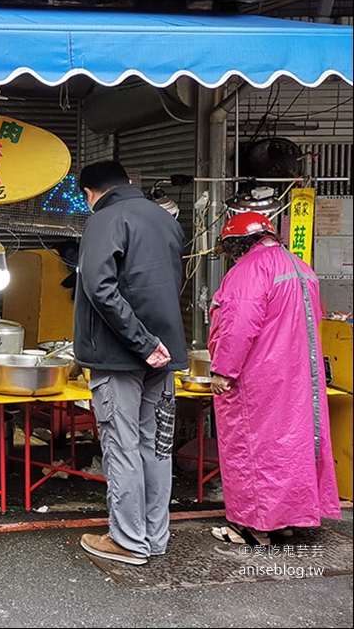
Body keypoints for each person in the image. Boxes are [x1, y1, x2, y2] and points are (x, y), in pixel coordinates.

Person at [72, 161, 187, 566]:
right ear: (129, 182)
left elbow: (99, 288)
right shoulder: (165, 219)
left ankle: (127, 541)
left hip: (120, 355)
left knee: (121, 447)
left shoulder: (104, 219)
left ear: (89, 193)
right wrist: (156, 344)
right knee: (155, 447)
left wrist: (141, 342)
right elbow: (168, 285)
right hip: (164, 354)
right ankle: (155, 538)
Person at [207, 211, 339, 546]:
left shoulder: (249, 270)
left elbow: (238, 326)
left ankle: (252, 528)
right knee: (289, 449)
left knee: (252, 449)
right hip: (297, 378)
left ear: (238, 243)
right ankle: (284, 521)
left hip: (258, 377)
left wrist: (224, 369)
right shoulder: (301, 268)